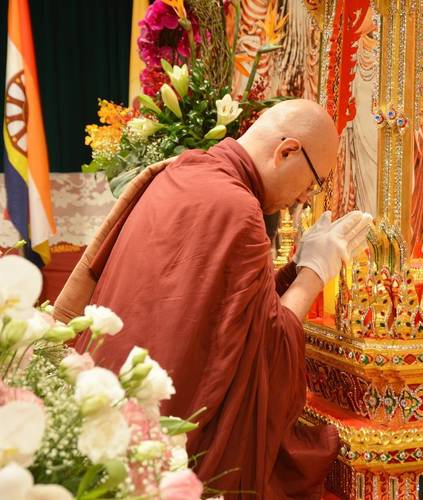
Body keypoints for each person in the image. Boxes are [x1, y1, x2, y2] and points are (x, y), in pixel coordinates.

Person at [54, 99, 373, 498]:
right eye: (312, 183)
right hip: (166, 443)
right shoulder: (237, 208)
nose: (304, 198)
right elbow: (268, 345)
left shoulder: (181, 170)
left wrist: (296, 266)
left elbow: (231, 309)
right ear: (287, 151)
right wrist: (314, 273)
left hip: (106, 412)